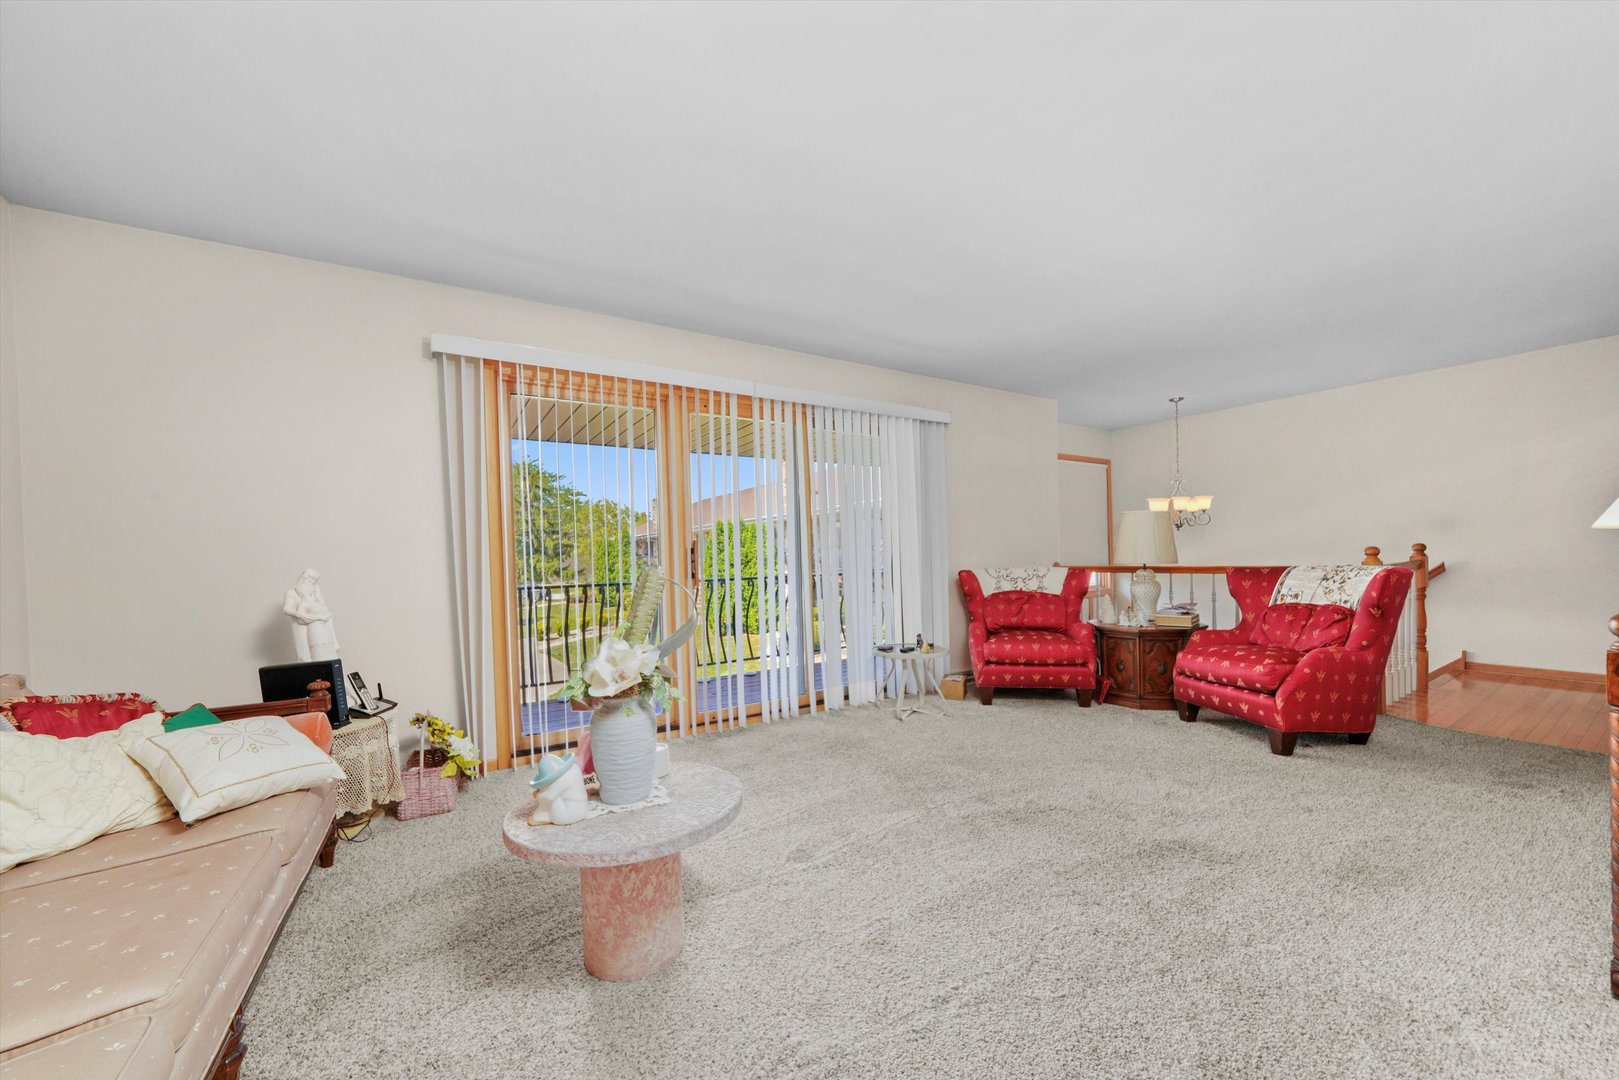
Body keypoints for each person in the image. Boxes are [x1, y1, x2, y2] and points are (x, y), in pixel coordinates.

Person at [283, 568, 339, 661]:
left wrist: (325, 615)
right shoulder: (292, 593)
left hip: (322, 629)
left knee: (327, 655)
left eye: (311, 581)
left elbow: (323, 608)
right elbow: (286, 609)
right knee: (307, 656)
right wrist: (300, 615)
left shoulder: (315, 593)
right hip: (304, 627)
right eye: (306, 579)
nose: (308, 581)